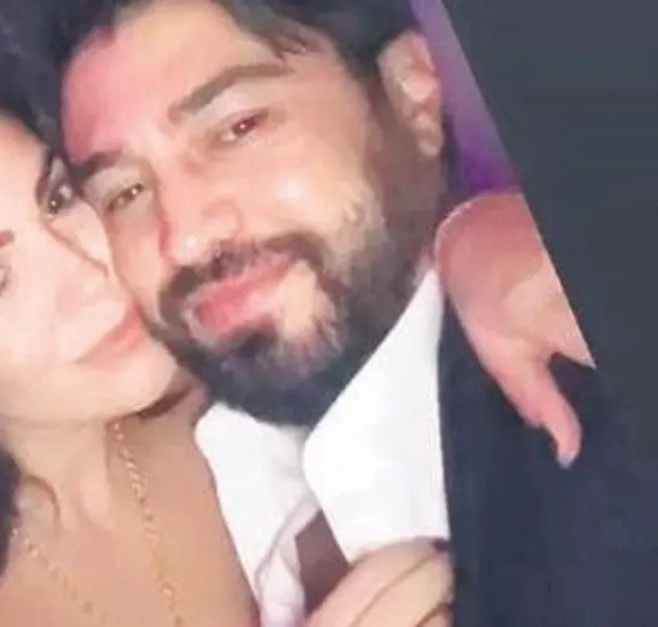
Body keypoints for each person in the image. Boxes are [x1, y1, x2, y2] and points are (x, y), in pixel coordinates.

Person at [0, 40, 597, 627]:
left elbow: (369, 260)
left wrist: (476, 234)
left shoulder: (248, 387)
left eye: (58, 198)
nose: (86, 270)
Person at [42, 0, 658, 625]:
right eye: (125, 192)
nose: (186, 238)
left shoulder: (585, 398)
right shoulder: (203, 479)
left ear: (411, 91)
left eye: (238, 128)